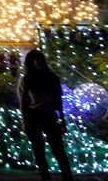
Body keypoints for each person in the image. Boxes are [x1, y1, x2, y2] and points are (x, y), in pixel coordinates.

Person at [18, 49, 73, 181]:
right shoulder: (26, 80)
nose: (38, 62)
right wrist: (25, 123)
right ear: (30, 62)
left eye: (40, 58)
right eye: (35, 59)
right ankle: (46, 177)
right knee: (38, 150)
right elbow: (23, 103)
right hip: (33, 116)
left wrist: (62, 121)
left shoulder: (52, 78)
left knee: (58, 149)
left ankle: (67, 177)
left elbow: (59, 101)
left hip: (49, 115)